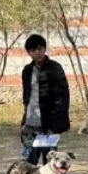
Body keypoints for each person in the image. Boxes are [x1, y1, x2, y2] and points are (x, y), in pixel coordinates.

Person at [20, 34, 70, 164]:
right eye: (33, 50)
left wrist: (55, 125)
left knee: (50, 163)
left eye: (40, 49)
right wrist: (24, 121)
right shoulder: (27, 70)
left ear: (44, 49)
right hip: (31, 122)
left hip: (49, 122)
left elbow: (63, 97)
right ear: (29, 52)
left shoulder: (55, 68)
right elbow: (26, 96)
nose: (37, 52)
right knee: (29, 163)